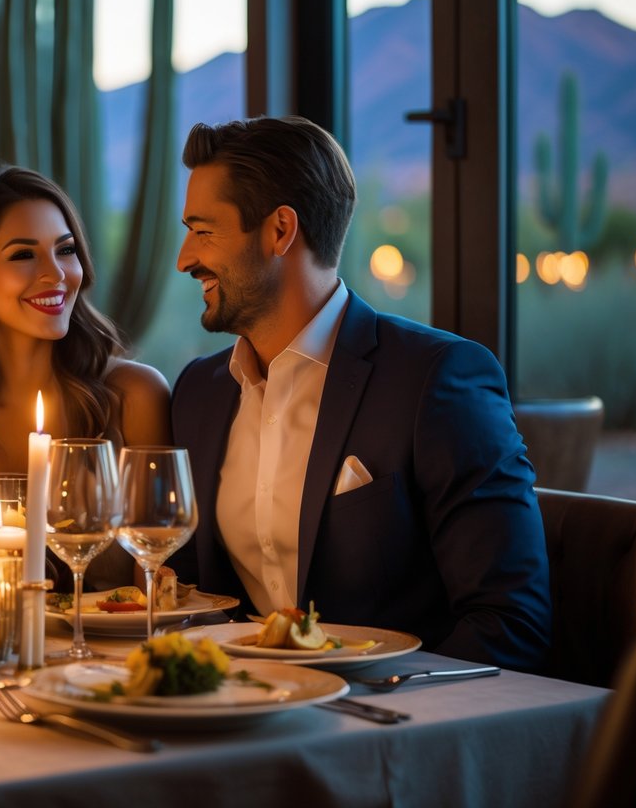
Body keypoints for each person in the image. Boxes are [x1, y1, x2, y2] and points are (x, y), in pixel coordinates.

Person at [167, 116, 551, 671]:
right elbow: (192, 598)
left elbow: (511, 623)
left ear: (280, 231)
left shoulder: (437, 379)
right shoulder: (198, 393)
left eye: (203, 231)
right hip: (239, 721)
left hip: (390, 728)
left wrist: (366, 708)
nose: (184, 258)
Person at [0, 164, 171, 589]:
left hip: (106, 657)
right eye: (23, 255)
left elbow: (158, 596)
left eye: (66, 249)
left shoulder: (136, 397)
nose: (55, 273)